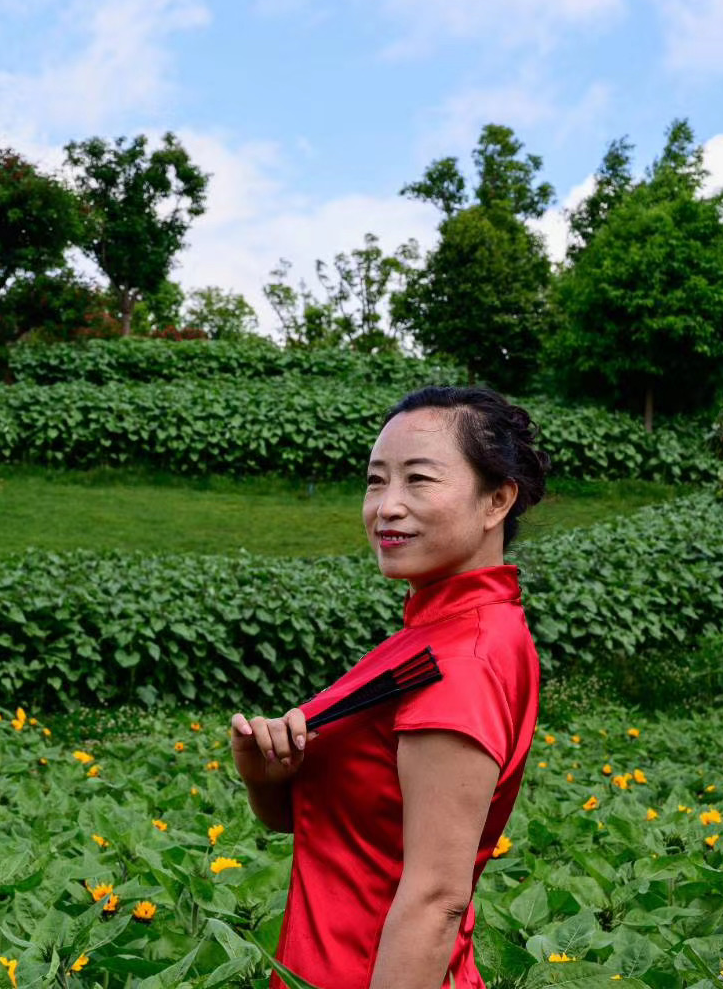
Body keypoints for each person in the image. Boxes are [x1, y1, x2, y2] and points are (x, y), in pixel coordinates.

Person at [231, 385, 548, 989]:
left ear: (497, 500)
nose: (387, 507)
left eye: (418, 480)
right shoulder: (445, 631)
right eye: (377, 481)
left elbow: (437, 899)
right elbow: (357, 836)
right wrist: (266, 780)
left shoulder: (462, 658)